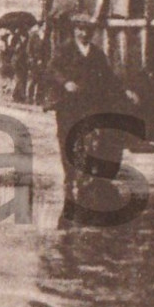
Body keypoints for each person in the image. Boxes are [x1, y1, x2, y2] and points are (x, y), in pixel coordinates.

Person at [45, 15, 131, 223]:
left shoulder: (96, 53)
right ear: (75, 30)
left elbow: (109, 77)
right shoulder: (64, 50)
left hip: (88, 103)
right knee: (67, 139)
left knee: (87, 139)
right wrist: (65, 82)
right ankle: (70, 176)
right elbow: (51, 69)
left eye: (87, 30)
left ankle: (82, 177)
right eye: (80, 30)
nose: (84, 34)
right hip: (67, 104)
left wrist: (125, 91)